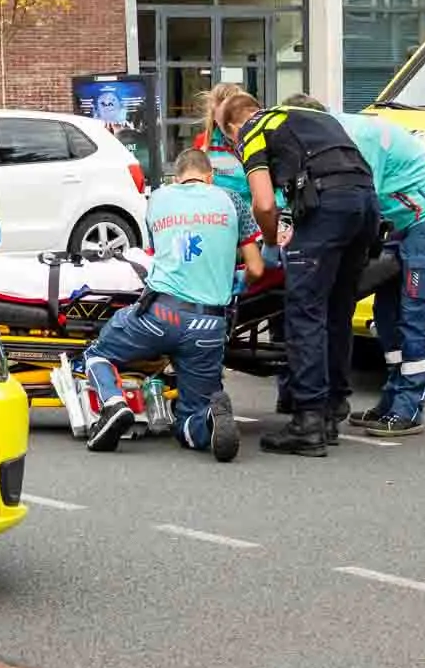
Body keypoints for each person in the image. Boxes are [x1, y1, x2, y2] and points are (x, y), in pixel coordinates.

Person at [215, 87, 381, 457]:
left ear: (232, 129)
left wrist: (270, 242)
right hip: (365, 205)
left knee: (305, 313)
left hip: (329, 206)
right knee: (337, 311)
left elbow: (263, 203)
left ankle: (307, 422)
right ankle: (332, 408)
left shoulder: (253, 129)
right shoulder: (310, 118)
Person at [75, 146, 266, 458]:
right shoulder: (232, 201)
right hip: (208, 325)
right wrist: (237, 280)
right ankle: (206, 420)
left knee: (97, 354)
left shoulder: (158, 199)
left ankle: (114, 403)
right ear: (210, 177)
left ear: (177, 178)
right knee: (190, 416)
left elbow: (155, 257)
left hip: (160, 314)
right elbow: (257, 268)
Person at [349, 110, 425, 435]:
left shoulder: (361, 137)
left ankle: (410, 408)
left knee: (417, 311)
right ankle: (392, 399)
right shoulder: (340, 134)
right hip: (402, 220)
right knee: (386, 312)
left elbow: (364, 198)